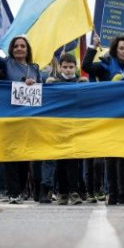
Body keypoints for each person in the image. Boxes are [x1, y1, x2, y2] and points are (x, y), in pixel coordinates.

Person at [0, 23, 41, 204]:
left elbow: (41, 90)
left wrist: (34, 84)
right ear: (11, 49)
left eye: (22, 46)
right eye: (16, 46)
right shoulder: (6, 63)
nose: (19, 48)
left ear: (27, 49)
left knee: (24, 157)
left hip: (28, 119)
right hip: (10, 117)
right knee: (11, 155)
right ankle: (13, 192)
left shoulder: (35, 69)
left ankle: (21, 189)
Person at [83, 34, 124, 205]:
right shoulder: (106, 65)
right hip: (109, 116)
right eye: (120, 48)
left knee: (123, 155)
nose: (123, 51)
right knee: (110, 156)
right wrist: (93, 46)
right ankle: (112, 193)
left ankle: (123, 193)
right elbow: (86, 66)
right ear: (115, 50)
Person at [45, 52, 87, 205]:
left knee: (74, 161)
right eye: (65, 67)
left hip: (75, 127)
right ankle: (62, 192)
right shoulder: (54, 83)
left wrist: (86, 85)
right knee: (61, 162)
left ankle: (74, 192)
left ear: (75, 68)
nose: (68, 70)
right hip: (59, 128)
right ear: (60, 67)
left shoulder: (80, 83)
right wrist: (49, 85)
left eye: (71, 67)